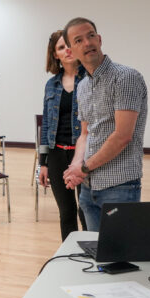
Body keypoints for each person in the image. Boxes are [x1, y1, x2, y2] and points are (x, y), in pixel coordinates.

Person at [62, 17, 148, 231]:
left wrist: (83, 168)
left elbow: (122, 136)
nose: (87, 43)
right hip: (88, 189)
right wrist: (75, 166)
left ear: (99, 39)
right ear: (71, 51)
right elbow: (85, 133)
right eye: (79, 40)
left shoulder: (125, 78)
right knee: (96, 256)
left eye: (91, 36)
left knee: (120, 257)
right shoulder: (82, 86)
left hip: (119, 186)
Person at [39, 31, 88, 241]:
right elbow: (47, 124)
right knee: (66, 213)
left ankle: (93, 255)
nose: (66, 50)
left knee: (86, 210)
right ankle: (70, 258)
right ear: (55, 55)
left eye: (69, 45)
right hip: (58, 155)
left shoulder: (90, 78)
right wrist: (43, 163)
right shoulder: (51, 84)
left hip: (85, 154)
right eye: (60, 48)